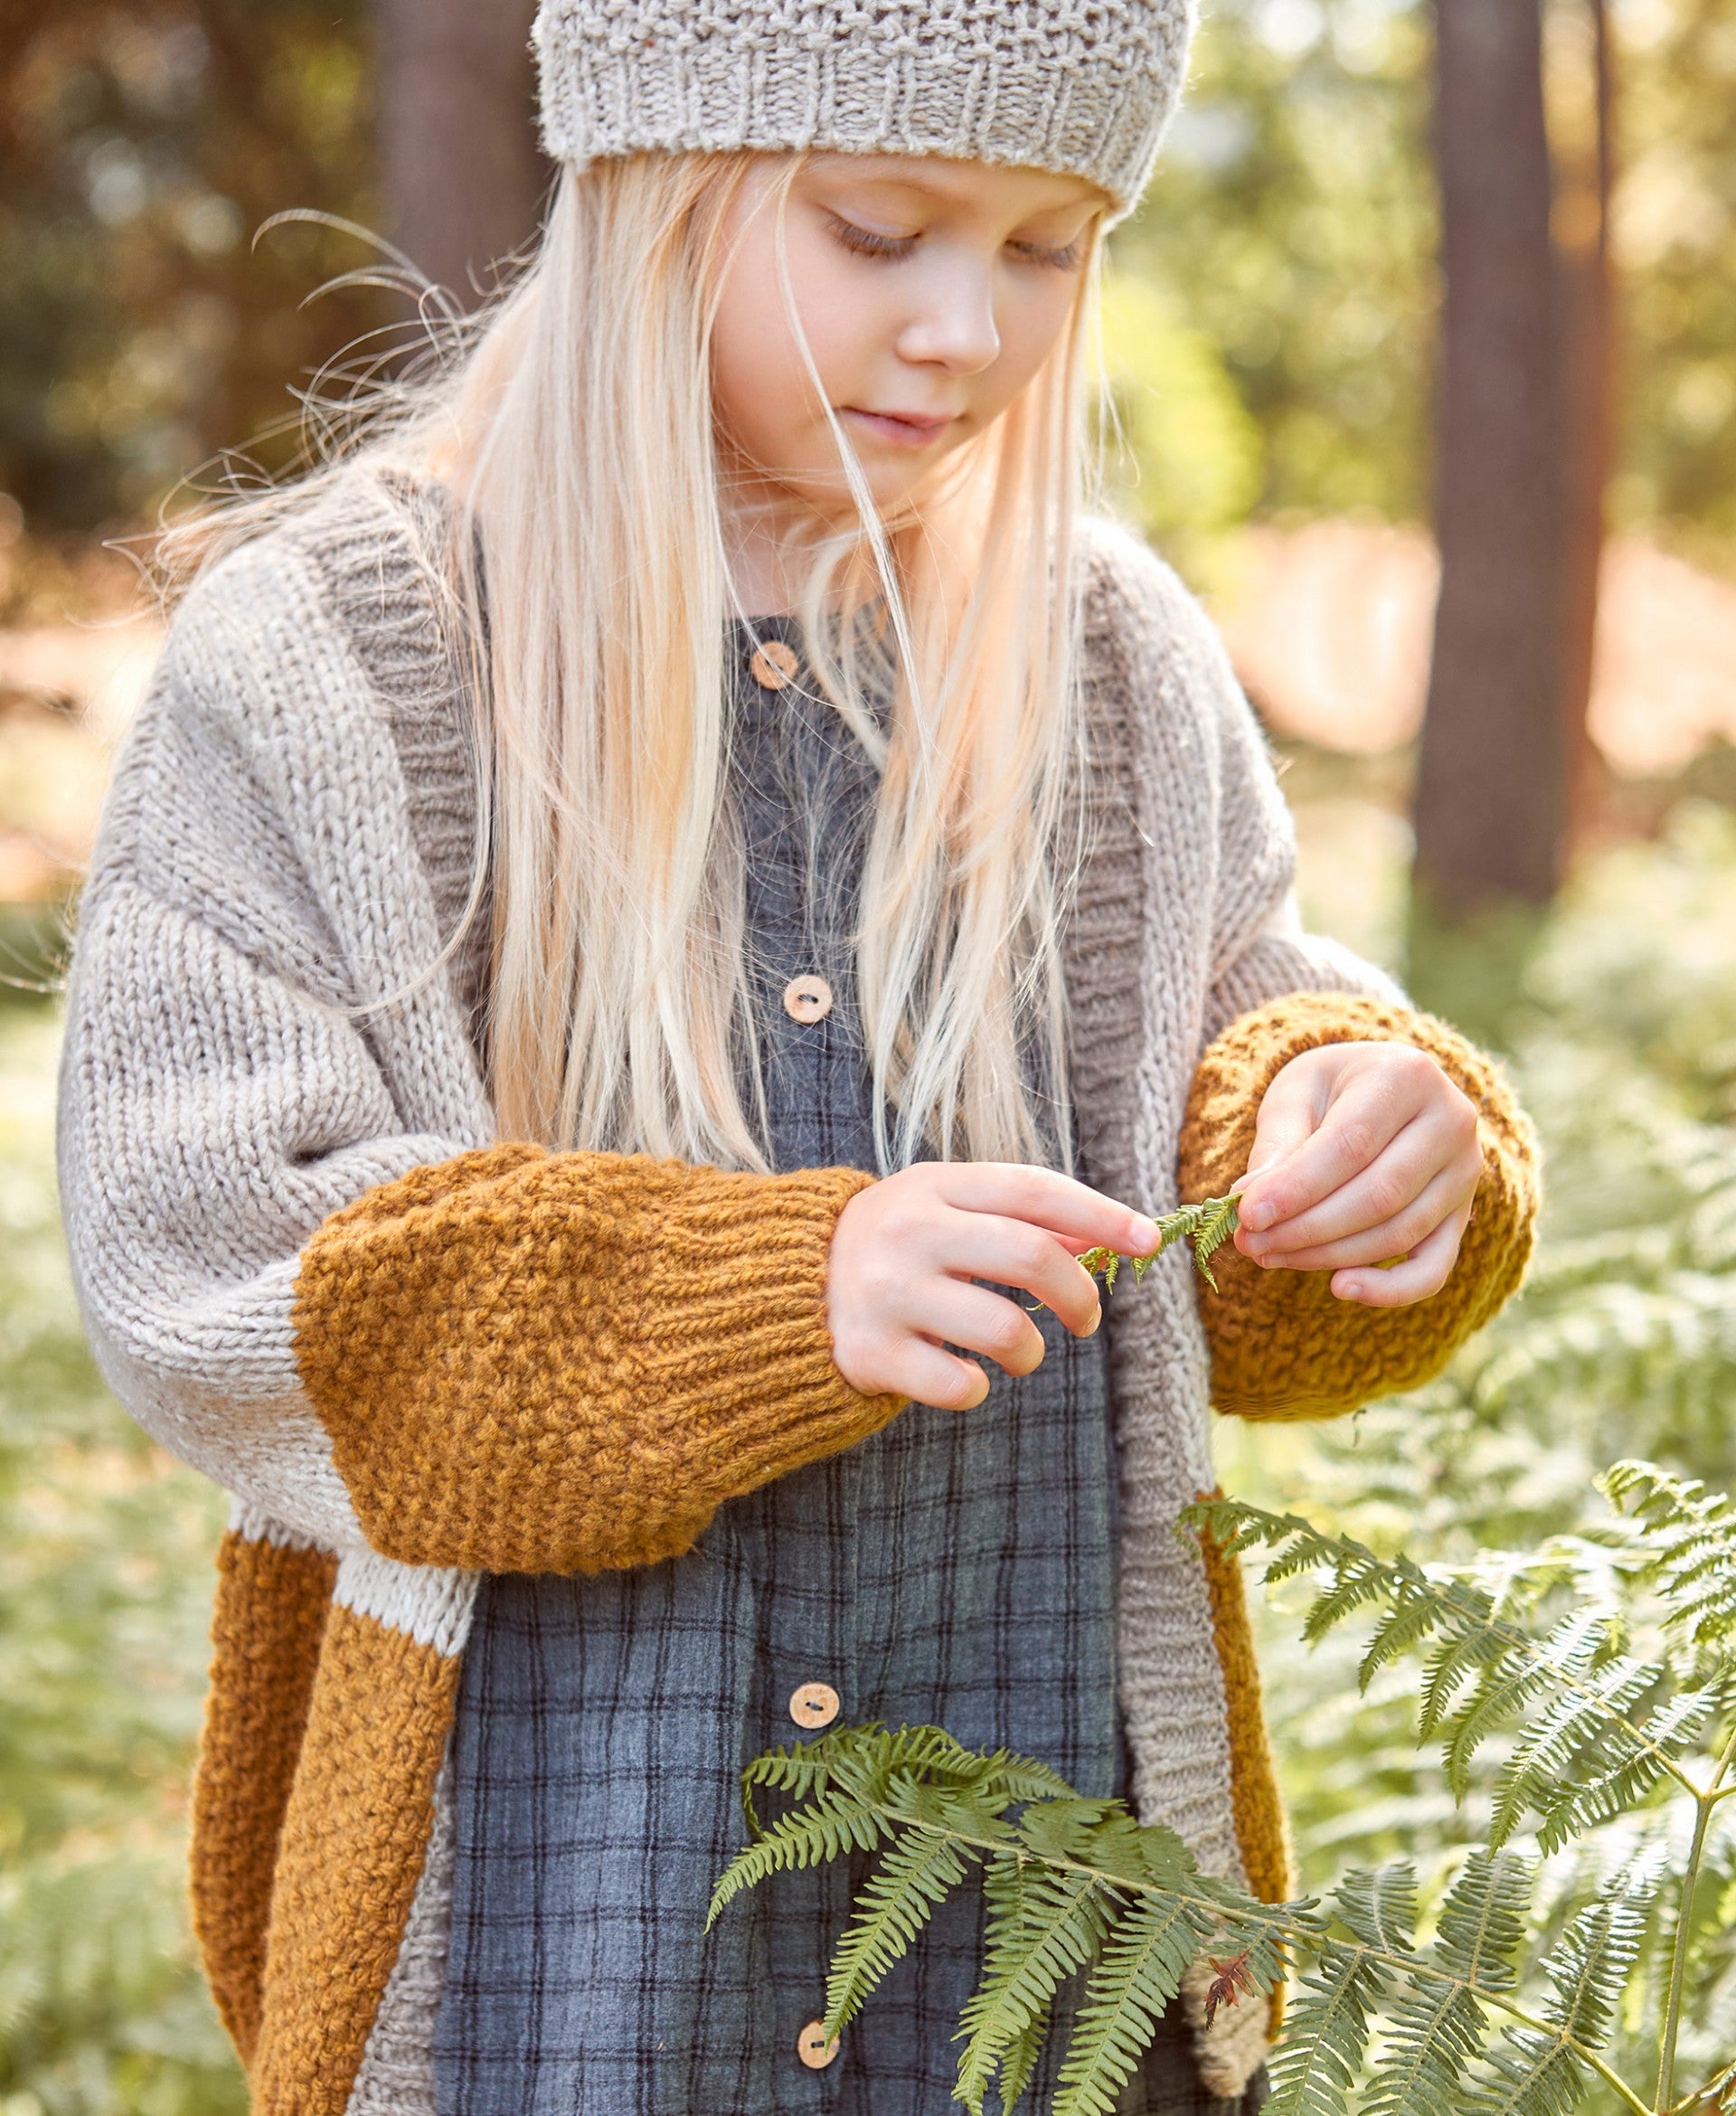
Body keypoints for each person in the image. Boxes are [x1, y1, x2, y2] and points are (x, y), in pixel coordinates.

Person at [55, 4, 1540, 2112]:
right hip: (560, 1949)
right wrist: (763, 1300)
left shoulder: (1105, 665)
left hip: (1052, 1954)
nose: (968, 327)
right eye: (882, 228)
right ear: (657, 183)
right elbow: (208, 1273)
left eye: (1047, 249)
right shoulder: (338, 664)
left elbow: (1245, 1184)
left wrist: (1363, 1145)